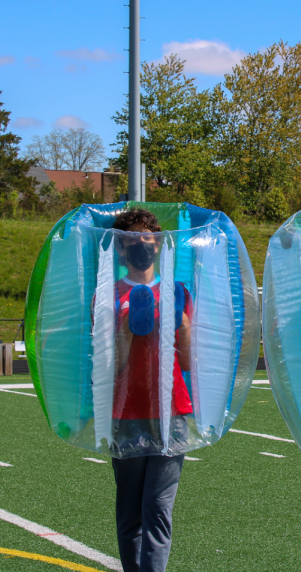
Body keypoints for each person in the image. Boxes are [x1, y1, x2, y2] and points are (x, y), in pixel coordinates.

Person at [108, 208, 193, 572]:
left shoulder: (176, 291)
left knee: (158, 509)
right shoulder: (108, 295)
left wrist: (184, 325)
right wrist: (126, 331)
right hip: (125, 414)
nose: (142, 243)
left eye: (148, 237)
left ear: (158, 245)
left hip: (172, 411)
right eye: (133, 238)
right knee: (130, 510)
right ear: (122, 249)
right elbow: (110, 367)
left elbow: (188, 363)